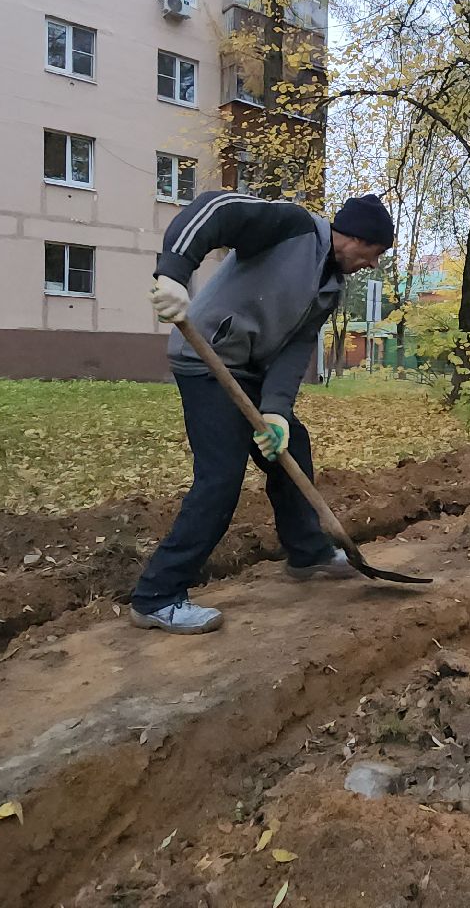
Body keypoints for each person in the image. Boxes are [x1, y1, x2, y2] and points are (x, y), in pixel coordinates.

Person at [129, 191, 394, 635]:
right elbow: (213, 210)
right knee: (220, 478)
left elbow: (294, 350)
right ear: (354, 237)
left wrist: (275, 412)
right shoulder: (290, 227)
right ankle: (156, 596)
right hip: (206, 361)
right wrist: (173, 274)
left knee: (294, 443)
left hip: (250, 370)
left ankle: (307, 552)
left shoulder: (330, 286)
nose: (372, 264)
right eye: (374, 253)